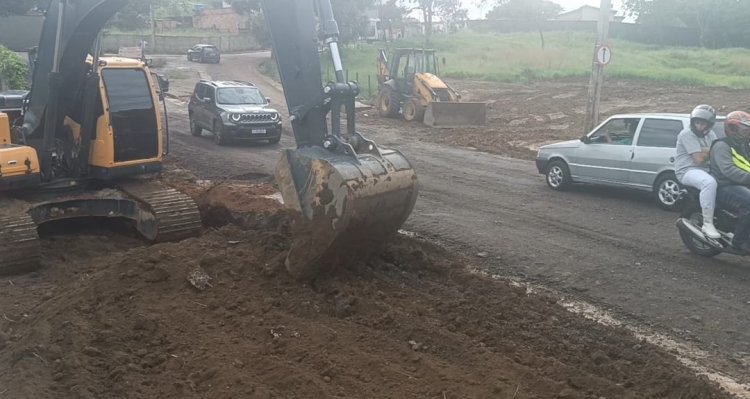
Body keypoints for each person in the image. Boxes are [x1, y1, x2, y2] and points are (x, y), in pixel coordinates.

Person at [675, 104, 720, 238]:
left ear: (710, 124)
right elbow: (699, 159)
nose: (700, 126)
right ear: (692, 121)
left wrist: (707, 149)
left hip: (706, 169)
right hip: (687, 171)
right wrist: (710, 150)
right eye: (697, 122)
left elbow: (718, 150)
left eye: (703, 123)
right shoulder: (687, 134)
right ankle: (708, 223)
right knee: (709, 183)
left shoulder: (710, 134)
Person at [709, 110, 750, 251]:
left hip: (740, 183)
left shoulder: (743, 145)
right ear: (732, 129)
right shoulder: (722, 146)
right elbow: (729, 171)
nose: (747, 133)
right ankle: (738, 242)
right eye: (744, 130)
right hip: (725, 185)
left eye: (748, 130)